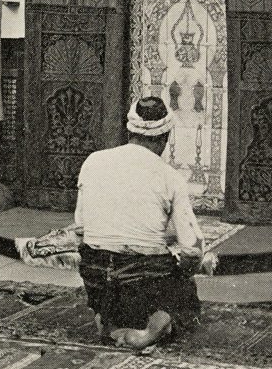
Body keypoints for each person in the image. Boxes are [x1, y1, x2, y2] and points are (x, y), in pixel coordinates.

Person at [73, 95, 216, 352]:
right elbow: (192, 248)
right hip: (144, 281)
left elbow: (81, 228)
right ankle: (152, 329)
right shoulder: (169, 177)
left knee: (105, 269)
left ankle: (108, 319)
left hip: (97, 277)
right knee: (186, 291)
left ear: (129, 130)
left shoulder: (92, 162)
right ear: (165, 137)